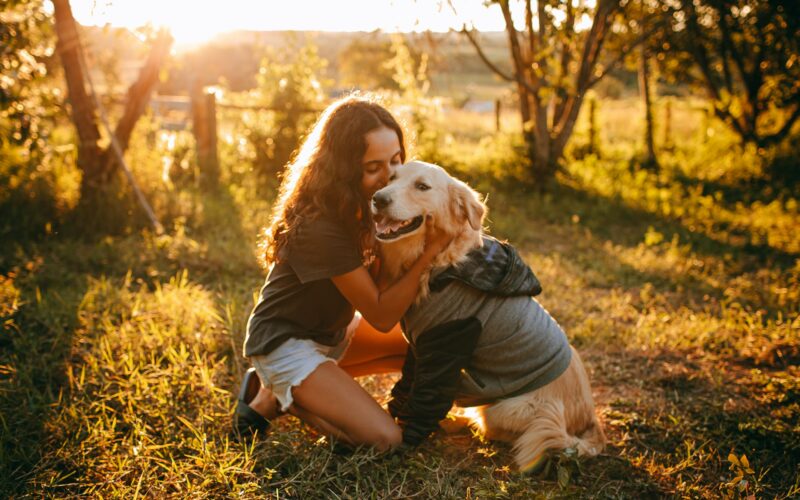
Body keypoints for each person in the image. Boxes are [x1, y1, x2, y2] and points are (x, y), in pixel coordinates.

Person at [234, 94, 451, 451]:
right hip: (284, 343)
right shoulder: (321, 226)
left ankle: (279, 392)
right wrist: (431, 250)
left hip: (333, 334)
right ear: (343, 167)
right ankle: (281, 395)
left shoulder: (372, 205)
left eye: (396, 160)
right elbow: (381, 314)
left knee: (429, 344)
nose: (389, 176)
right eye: (373, 167)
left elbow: (383, 281)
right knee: (385, 440)